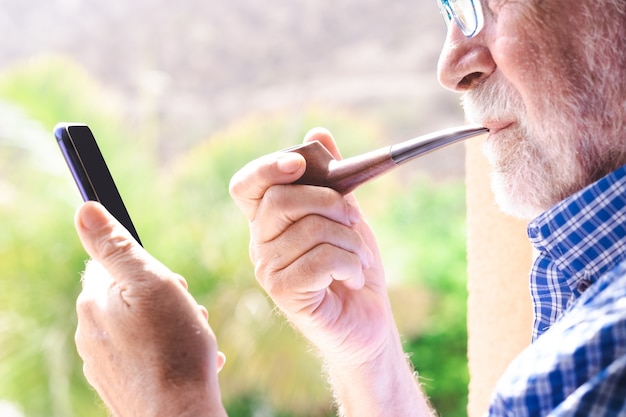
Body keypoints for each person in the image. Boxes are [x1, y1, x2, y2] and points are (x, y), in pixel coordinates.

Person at [74, 0, 626, 416]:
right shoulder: (587, 293)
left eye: (491, 4)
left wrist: (172, 400)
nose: (454, 63)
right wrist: (368, 353)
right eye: (454, 9)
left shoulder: (609, 351)